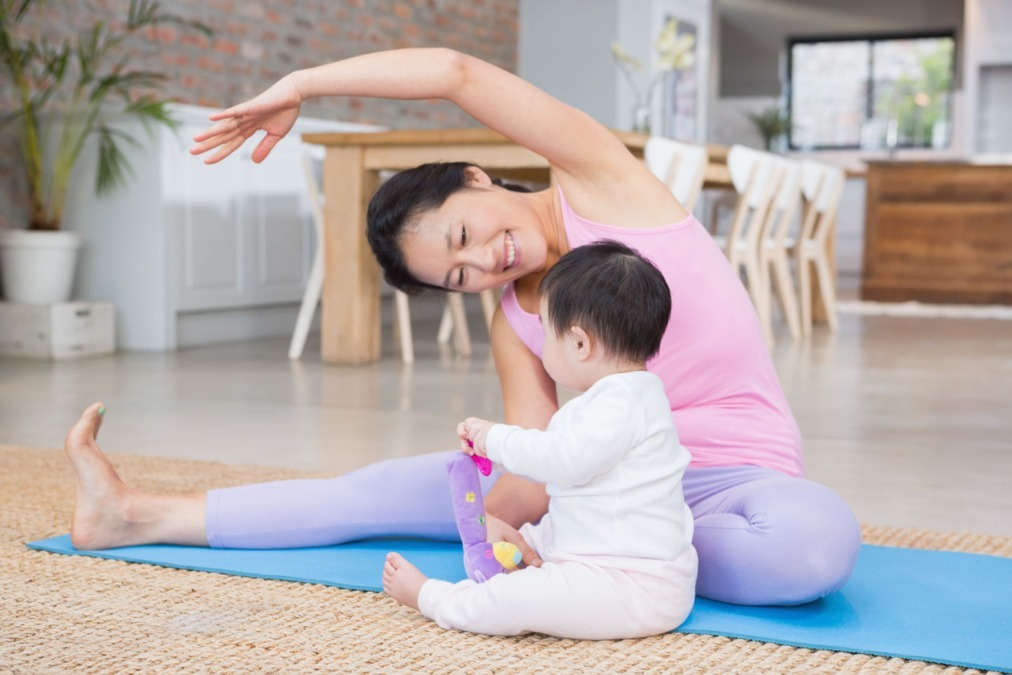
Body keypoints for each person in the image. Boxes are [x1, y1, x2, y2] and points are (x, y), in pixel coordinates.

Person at [64, 47, 861, 606]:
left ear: (478, 178)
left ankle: (614, 554)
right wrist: (499, 519)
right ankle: (132, 514)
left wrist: (303, 82)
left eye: (464, 235)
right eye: (459, 274)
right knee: (370, 492)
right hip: (588, 485)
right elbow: (532, 458)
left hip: (733, 476)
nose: (485, 260)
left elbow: (455, 72)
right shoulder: (517, 315)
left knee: (812, 546)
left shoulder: (602, 183)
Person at [383, 241, 697, 639]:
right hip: (605, 552)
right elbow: (576, 488)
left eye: (547, 332)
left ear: (580, 344)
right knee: (537, 535)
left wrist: (494, 439)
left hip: (633, 587)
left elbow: (561, 460)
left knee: (521, 600)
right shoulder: (624, 398)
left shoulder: (622, 404)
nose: (542, 344)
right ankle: (523, 553)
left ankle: (437, 599)